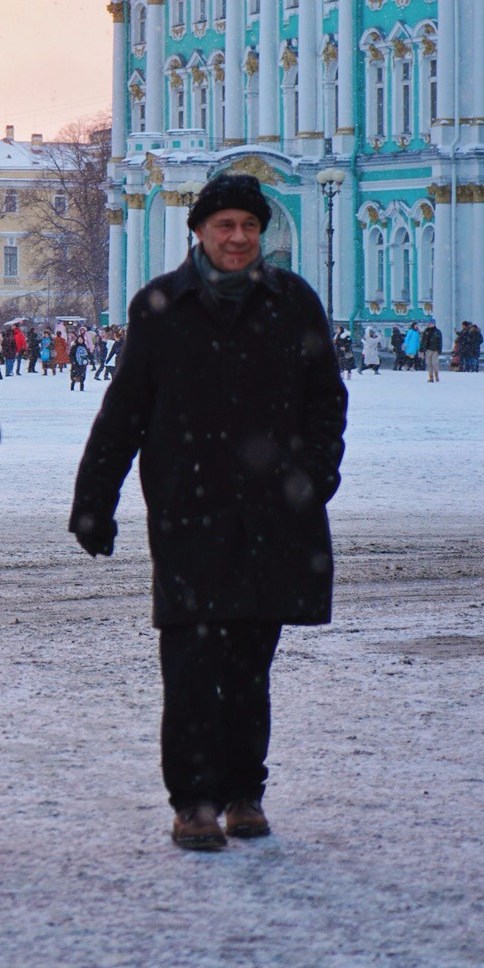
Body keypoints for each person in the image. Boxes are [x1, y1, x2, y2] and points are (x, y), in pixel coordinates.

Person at [69, 174, 347, 852]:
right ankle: (193, 801)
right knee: (191, 666)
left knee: (251, 667)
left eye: (249, 226)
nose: (237, 238)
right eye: (224, 225)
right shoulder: (162, 307)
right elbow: (123, 414)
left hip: (273, 516)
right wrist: (93, 503)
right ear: (199, 231)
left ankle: (244, 792)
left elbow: (326, 402)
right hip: (188, 514)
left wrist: (313, 478)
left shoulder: (294, 302)